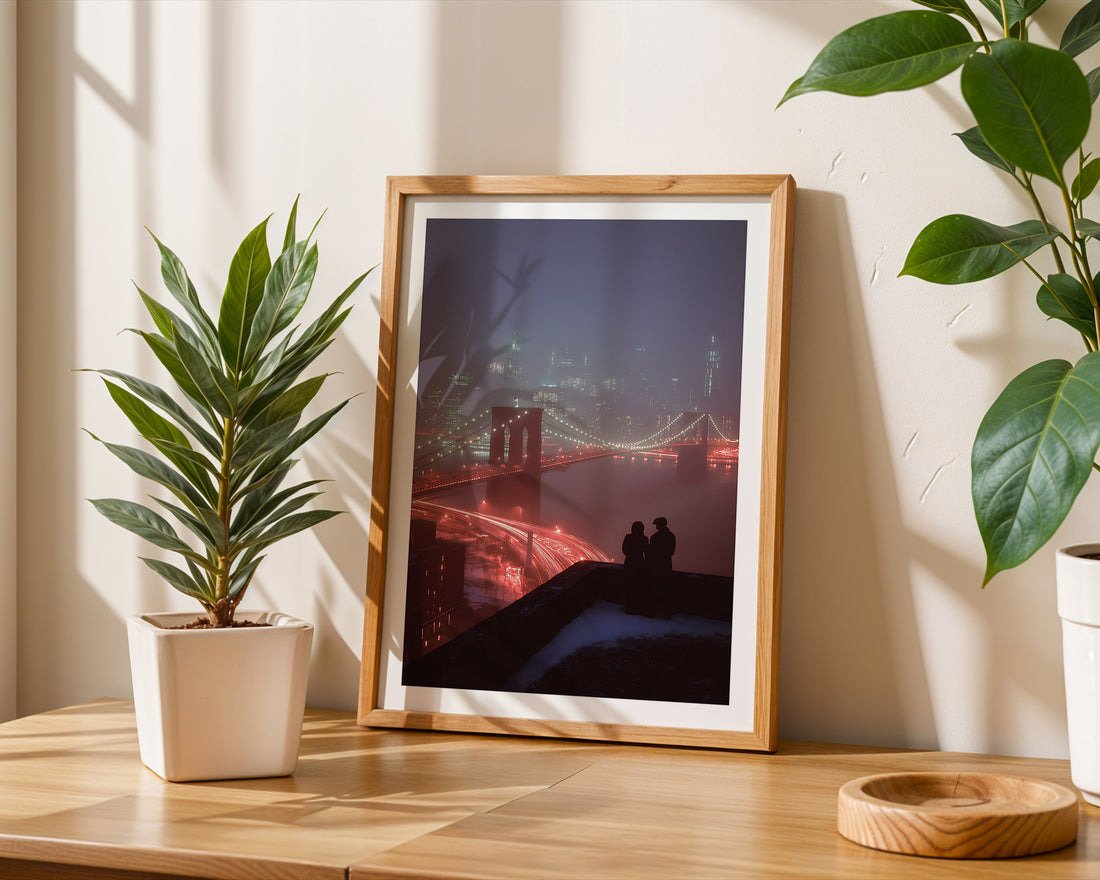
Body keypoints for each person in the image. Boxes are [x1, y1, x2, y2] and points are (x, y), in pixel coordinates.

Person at [648, 516, 676, 618]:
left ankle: (653, 611)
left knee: (656, 589)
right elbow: (671, 551)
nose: (656, 527)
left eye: (657, 525)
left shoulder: (654, 537)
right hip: (665, 566)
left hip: (657, 567)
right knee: (665, 589)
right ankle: (666, 613)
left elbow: (650, 553)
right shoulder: (671, 536)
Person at [622, 521, 649, 613]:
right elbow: (647, 551)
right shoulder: (644, 539)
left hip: (629, 563)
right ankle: (636, 606)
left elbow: (624, 549)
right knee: (637, 587)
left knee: (629, 586)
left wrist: (631, 554)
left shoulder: (628, 537)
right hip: (640, 564)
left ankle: (629, 607)